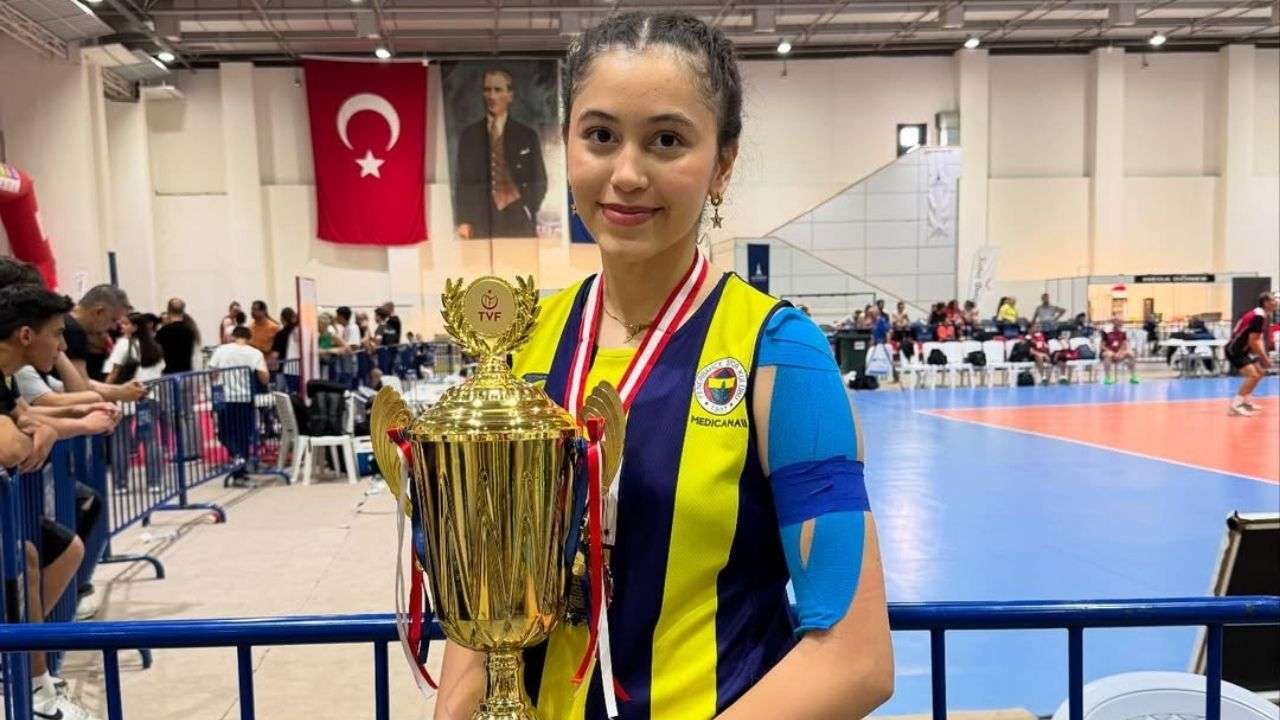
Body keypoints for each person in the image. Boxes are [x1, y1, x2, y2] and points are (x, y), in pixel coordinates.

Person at [434, 12, 892, 719]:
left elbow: (855, 659)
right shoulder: (519, 348)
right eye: (600, 136)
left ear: (722, 165)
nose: (626, 174)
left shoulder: (778, 354)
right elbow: (482, 611)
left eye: (667, 141)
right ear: (566, 146)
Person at [0, 283, 109, 720]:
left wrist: (41, 429)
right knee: (25, 562)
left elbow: (28, 420)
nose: (63, 346)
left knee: (36, 556)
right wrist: (33, 431)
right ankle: (37, 694)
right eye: (57, 334)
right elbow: (11, 447)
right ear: (26, 335)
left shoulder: (6, 377)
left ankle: (35, 684)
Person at [454, 68, 549, 240]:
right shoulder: (469, 136)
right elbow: (463, 183)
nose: (492, 96)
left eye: (498, 90)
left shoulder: (527, 135)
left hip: (518, 213)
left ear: (510, 95)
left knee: (520, 257)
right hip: (481, 217)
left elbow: (540, 179)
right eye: (487, 90)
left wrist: (529, 208)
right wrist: (464, 220)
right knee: (479, 258)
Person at [207, 326, 269, 485]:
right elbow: (264, 378)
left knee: (224, 432)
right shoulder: (255, 353)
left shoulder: (221, 350)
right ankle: (240, 471)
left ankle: (237, 457)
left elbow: (212, 373)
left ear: (233, 336)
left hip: (224, 397)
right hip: (245, 397)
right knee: (243, 434)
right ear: (249, 337)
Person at [1226, 291, 1277, 417]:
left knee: (1260, 372)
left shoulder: (1260, 314)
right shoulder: (1258, 316)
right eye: (1273, 300)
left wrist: (1262, 357)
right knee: (1253, 375)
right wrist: (1264, 358)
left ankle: (1245, 401)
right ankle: (1235, 406)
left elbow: (1258, 339)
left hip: (1244, 350)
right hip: (1235, 350)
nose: (1276, 302)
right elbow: (1253, 341)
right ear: (1266, 303)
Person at [156, 297, 200, 375]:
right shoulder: (190, 330)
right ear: (183, 311)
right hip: (187, 373)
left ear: (168, 311)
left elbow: (157, 353)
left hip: (169, 375)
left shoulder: (163, 331)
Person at [1100, 317, 1138, 385]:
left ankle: (1133, 377)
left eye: (1120, 322)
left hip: (1119, 352)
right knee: (1107, 355)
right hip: (1109, 351)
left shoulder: (1123, 332)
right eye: (1117, 321)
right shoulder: (1106, 331)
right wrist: (1111, 352)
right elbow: (1102, 346)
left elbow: (1124, 344)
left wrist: (1120, 352)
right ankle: (1107, 378)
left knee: (1131, 354)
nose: (1120, 323)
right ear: (1113, 322)